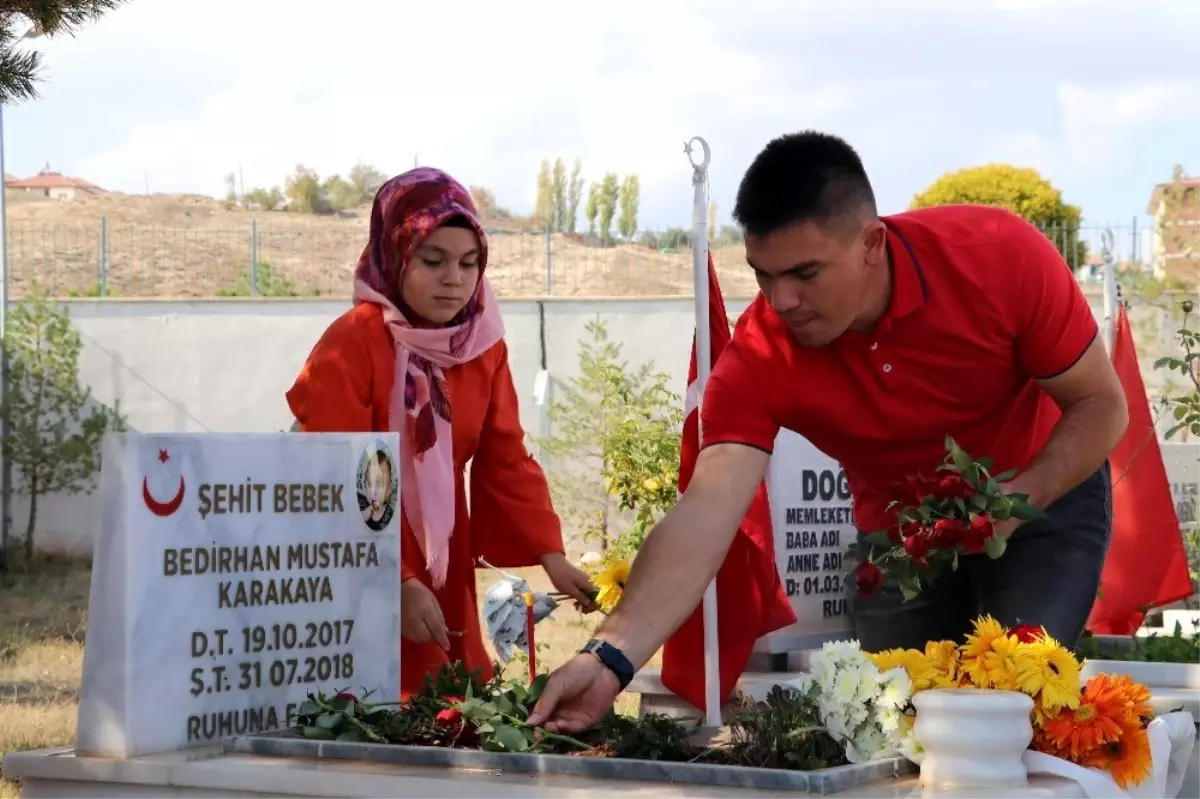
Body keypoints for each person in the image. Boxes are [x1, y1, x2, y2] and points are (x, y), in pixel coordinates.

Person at [528, 131, 1128, 734]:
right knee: (890, 724)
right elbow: (706, 511)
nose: (781, 299)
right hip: (900, 538)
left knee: (1013, 706)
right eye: (763, 275)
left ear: (871, 243)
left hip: (1042, 494)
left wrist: (1016, 502)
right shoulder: (760, 354)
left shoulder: (999, 255)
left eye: (804, 273)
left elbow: (1101, 406)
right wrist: (607, 658)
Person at [286, 167, 596, 694]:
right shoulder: (352, 342)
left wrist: (550, 555)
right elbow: (334, 469)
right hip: (356, 547)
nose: (455, 278)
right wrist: (396, 578)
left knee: (450, 705)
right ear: (395, 253)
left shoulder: (481, 345)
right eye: (433, 261)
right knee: (360, 705)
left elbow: (505, 458)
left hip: (442, 549)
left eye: (469, 263)